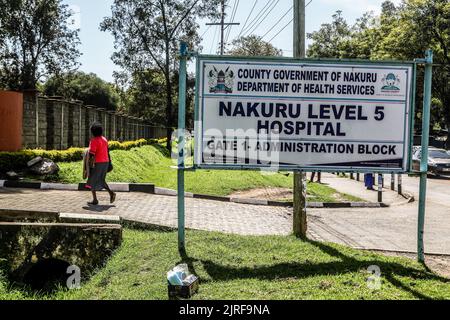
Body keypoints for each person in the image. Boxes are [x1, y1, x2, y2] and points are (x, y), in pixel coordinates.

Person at [86, 122, 116, 205]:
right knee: (98, 180)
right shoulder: (104, 139)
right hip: (105, 162)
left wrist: (88, 165)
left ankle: (109, 194)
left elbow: (92, 154)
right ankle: (98, 198)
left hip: (98, 163)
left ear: (93, 132)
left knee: (93, 180)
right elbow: (107, 151)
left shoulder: (94, 141)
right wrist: (109, 162)